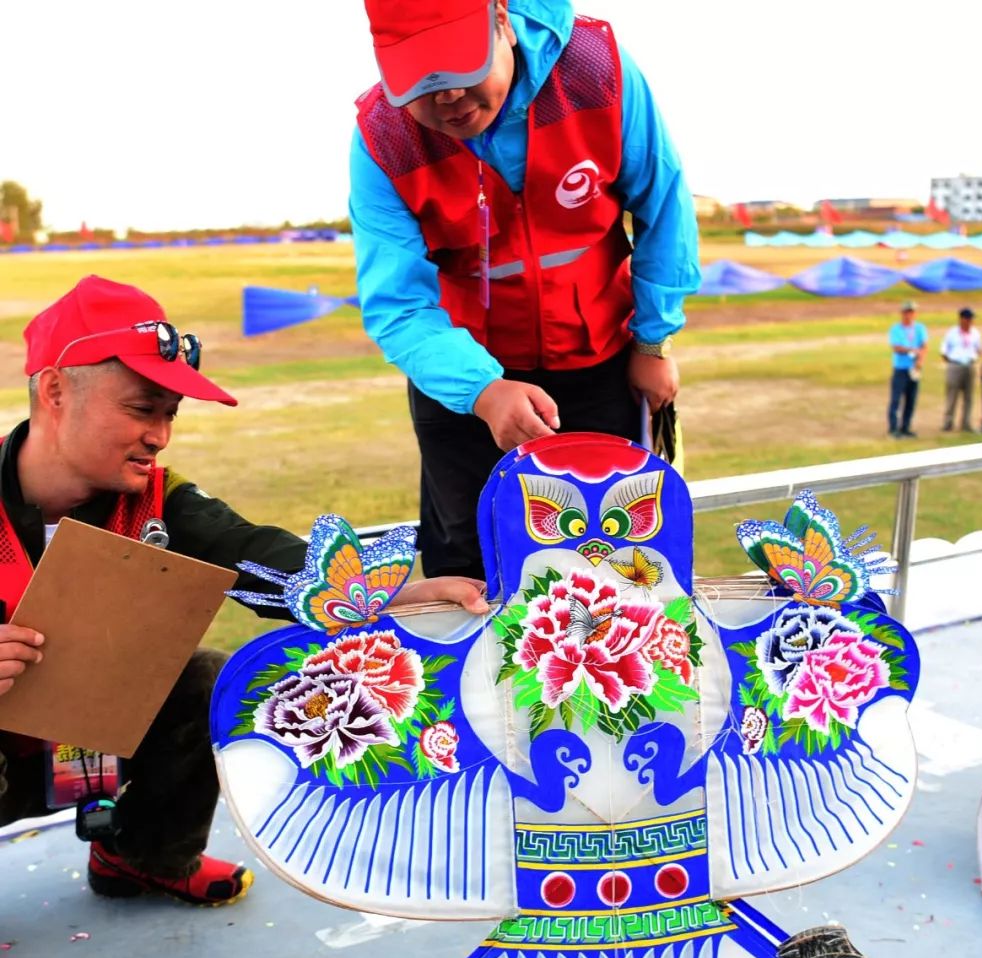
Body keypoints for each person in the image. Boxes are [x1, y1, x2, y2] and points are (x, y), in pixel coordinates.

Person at [0, 276, 488, 906]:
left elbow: (264, 557)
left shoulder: (158, 499)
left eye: (170, 415)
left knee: (207, 678)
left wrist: (396, 595)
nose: (160, 436)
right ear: (56, 390)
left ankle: (146, 856)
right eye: (141, 409)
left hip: (85, 743)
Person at [350, 0, 701, 580]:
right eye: (419, 82)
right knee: (467, 560)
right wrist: (483, 391)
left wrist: (651, 343)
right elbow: (398, 305)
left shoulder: (598, 72)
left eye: (462, 70)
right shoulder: (382, 135)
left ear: (504, 23)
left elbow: (664, 207)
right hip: (461, 382)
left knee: (613, 557)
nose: (447, 99)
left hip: (599, 362)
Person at [887, 300, 927, 439]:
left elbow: (924, 345)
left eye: (911, 312)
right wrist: (912, 350)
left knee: (911, 399)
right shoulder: (896, 329)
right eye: (907, 312)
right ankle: (893, 428)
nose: (909, 315)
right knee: (896, 399)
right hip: (901, 368)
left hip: (914, 368)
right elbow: (896, 347)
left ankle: (906, 427)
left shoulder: (920, 328)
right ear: (902, 313)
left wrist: (920, 360)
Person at [940, 306, 982, 433]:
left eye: (971, 319)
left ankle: (966, 423)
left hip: (969, 365)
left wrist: (973, 359)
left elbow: (979, 349)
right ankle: (948, 422)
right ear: (962, 319)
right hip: (955, 365)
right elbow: (944, 350)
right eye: (968, 319)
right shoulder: (952, 332)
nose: (970, 322)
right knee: (952, 395)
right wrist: (952, 362)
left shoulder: (975, 333)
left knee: (968, 396)